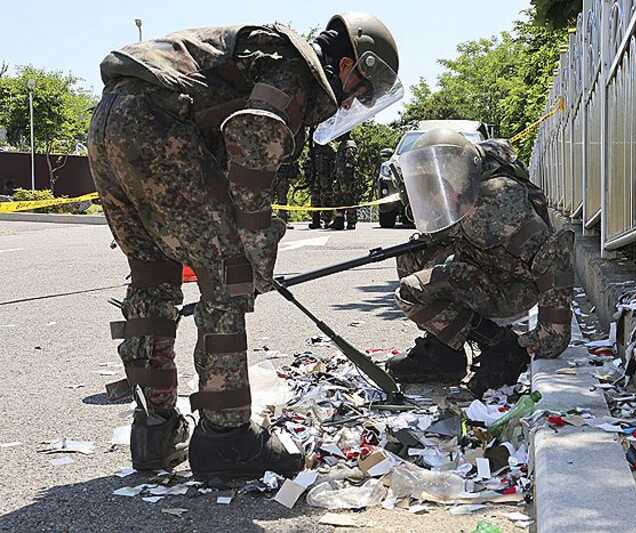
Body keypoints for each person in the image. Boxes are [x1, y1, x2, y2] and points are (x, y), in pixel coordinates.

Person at [87, 13, 401, 481]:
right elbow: (252, 135)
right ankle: (227, 439)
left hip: (110, 123)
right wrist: (254, 248)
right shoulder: (295, 66)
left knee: (152, 278)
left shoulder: (261, 53)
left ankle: (154, 432)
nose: (351, 102)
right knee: (228, 277)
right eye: (359, 91)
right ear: (349, 66)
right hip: (158, 126)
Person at [386, 129, 574, 396]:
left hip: (515, 287)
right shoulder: (463, 197)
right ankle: (445, 353)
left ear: (457, 178)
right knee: (411, 260)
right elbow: (442, 236)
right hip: (488, 269)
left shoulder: (495, 201)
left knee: (423, 284)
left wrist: (547, 335)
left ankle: (499, 344)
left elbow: (552, 255)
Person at [303, 135, 337, 229]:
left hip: (326, 178)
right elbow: (307, 164)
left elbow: (334, 165)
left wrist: (333, 177)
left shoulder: (330, 150)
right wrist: (308, 176)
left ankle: (327, 220)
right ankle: (316, 221)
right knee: (315, 199)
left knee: (327, 199)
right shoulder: (313, 150)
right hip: (315, 178)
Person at [331, 132, 359, 230]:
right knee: (338, 199)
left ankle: (351, 222)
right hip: (340, 177)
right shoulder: (343, 144)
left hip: (347, 179)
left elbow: (351, 162)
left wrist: (346, 176)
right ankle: (339, 221)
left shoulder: (348, 145)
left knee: (348, 199)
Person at [273, 160, 300, 228]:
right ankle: (266, 221)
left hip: (283, 177)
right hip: (270, 175)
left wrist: (294, 175)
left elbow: (293, 159)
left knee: (282, 200)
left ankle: (283, 222)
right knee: (267, 199)